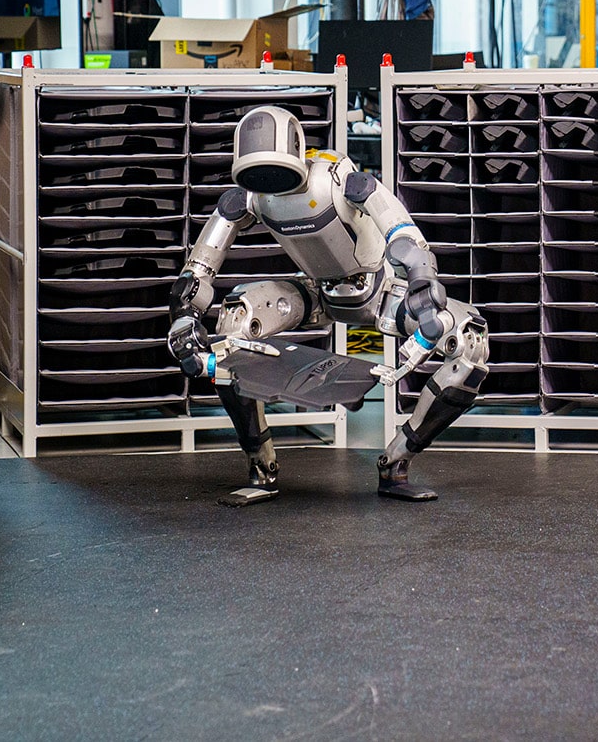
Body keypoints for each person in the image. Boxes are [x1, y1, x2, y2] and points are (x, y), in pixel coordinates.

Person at [168, 107, 490, 506]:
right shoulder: (251, 197)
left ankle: (397, 461)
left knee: (470, 342)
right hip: (315, 293)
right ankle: (260, 465)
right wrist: (185, 314)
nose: (268, 181)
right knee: (235, 322)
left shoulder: (341, 182)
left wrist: (423, 283)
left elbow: (403, 234)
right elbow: (200, 266)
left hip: (377, 291)